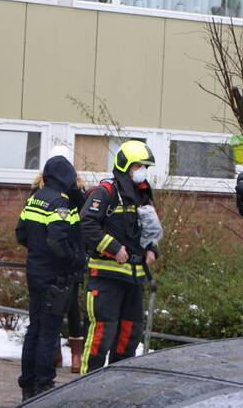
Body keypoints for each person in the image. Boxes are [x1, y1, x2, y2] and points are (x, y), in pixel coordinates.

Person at [79, 140, 158, 374]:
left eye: (145, 167)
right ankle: (86, 390)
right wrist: (114, 248)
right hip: (105, 278)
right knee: (101, 336)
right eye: (138, 166)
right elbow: (87, 224)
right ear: (125, 166)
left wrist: (152, 248)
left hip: (134, 279)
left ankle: (116, 389)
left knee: (129, 337)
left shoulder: (142, 195)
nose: (142, 171)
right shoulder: (106, 192)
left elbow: (147, 229)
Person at [15, 154, 87, 400]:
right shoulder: (60, 204)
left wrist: (38, 251)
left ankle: (27, 385)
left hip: (35, 271)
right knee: (49, 331)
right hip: (55, 277)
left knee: (34, 328)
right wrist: (75, 260)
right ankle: (43, 387)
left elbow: (21, 234)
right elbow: (59, 240)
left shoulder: (35, 199)